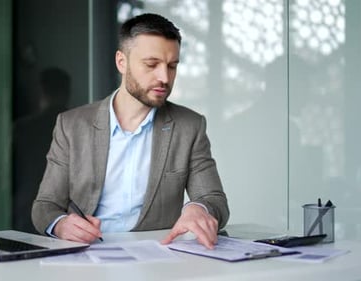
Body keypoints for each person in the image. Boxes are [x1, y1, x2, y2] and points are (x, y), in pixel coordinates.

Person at [32, 13, 229, 249]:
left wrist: (198, 208)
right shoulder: (72, 125)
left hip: (156, 259)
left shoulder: (189, 126)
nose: (164, 77)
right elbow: (44, 205)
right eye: (151, 64)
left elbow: (214, 199)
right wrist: (62, 224)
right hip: (86, 256)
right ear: (121, 62)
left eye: (172, 66)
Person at [13, 67, 71, 233]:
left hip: (26, 205)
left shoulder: (24, 128)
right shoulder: (80, 127)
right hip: (67, 212)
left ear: (41, 91)